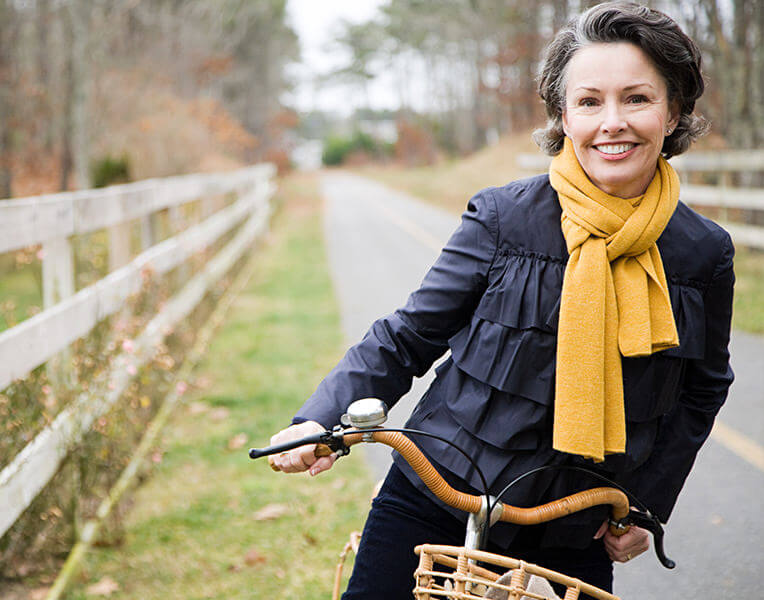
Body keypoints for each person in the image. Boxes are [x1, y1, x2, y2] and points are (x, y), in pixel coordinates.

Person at [268, 3, 734, 598]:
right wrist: (318, 417)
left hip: (575, 528)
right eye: (589, 102)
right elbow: (409, 335)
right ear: (564, 116)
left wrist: (644, 506)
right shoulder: (502, 218)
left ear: (673, 113)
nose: (611, 122)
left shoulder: (703, 255)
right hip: (437, 497)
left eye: (637, 99)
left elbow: (701, 389)